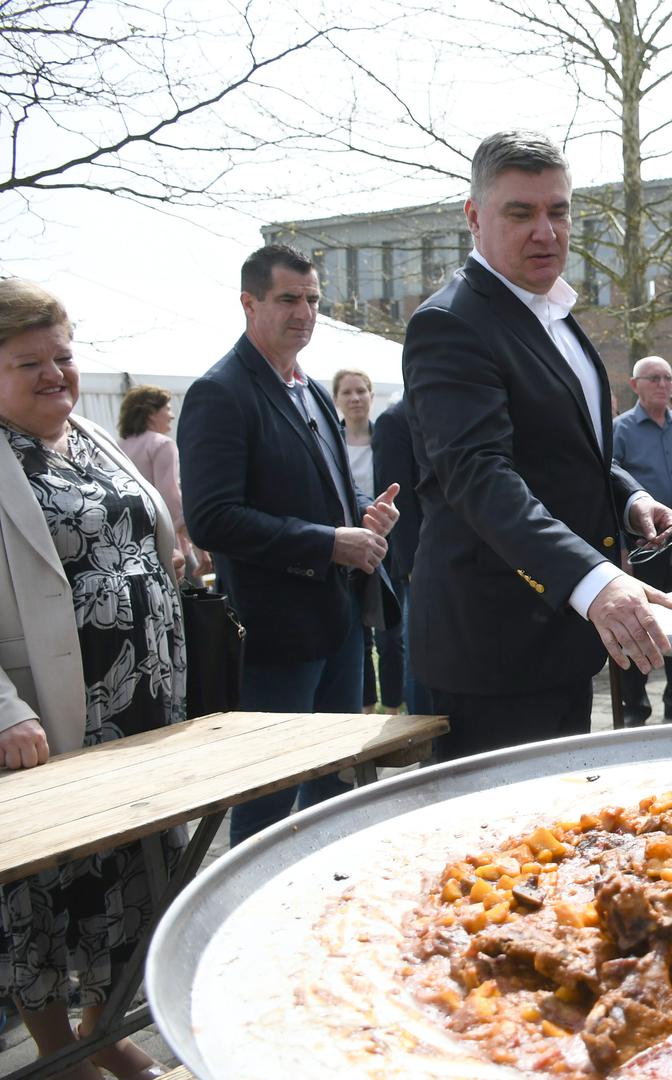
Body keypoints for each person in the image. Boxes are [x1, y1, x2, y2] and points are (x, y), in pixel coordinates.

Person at [403, 130, 672, 759]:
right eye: (520, 213)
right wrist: (593, 579)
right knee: (499, 852)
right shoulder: (450, 324)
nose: (545, 232)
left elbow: (563, 451)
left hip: (553, 640)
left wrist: (627, 496)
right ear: (474, 217)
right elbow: (477, 475)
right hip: (491, 651)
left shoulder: (550, 312)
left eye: (558, 211)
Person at [0, 279, 184, 1080]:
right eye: (26, 363)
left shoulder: (89, 438)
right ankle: (57, 1052)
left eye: (64, 357)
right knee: (41, 903)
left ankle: (102, 1032)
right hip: (42, 727)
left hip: (141, 714)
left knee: (127, 891)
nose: (54, 376)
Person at [178, 245, 400, 846]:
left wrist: (363, 518)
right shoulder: (220, 393)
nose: (304, 313)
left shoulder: (311, 391)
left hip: (338, 624)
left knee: (331, 790)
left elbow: (311, 495)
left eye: (313, 301)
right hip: (276, 636)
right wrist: (330, 542)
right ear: (249, 304)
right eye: (288, 300)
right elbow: (212, 519)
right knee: (268, 804)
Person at [612, 355, 672, 724]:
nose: (663, 385)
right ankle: (634, 707)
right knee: (635, 624)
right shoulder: (619, 431)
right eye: (653, 378)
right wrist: (621, 553)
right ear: (634, 385)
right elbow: (610, 492)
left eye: (667, 377)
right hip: (641, 549)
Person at [332, 368, 404, 713]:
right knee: (357, 635)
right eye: (347, 392)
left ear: (372, 396)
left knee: (391, 636)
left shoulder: (387, 436)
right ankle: (365, 709)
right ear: (336, 400)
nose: (355, 398)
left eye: (361, 391)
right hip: (346, 546)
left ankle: (392, 706)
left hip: (388, 544)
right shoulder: (331, 439)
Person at [371, 395, 432, 715]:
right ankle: (426, 742)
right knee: (421, 654)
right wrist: (411, 565)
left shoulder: (441, 409)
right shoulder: (393, 421)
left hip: (449, 560)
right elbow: (397, 500)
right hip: (418, 562)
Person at [118, 383, 210, 581]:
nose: (172, 415)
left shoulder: (118, 447)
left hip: (133, 544)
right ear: (150, 412)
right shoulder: (162, 444)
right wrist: (196, 542)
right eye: (167, 408)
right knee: (197, 605)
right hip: (169, 546)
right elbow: (170, 496)